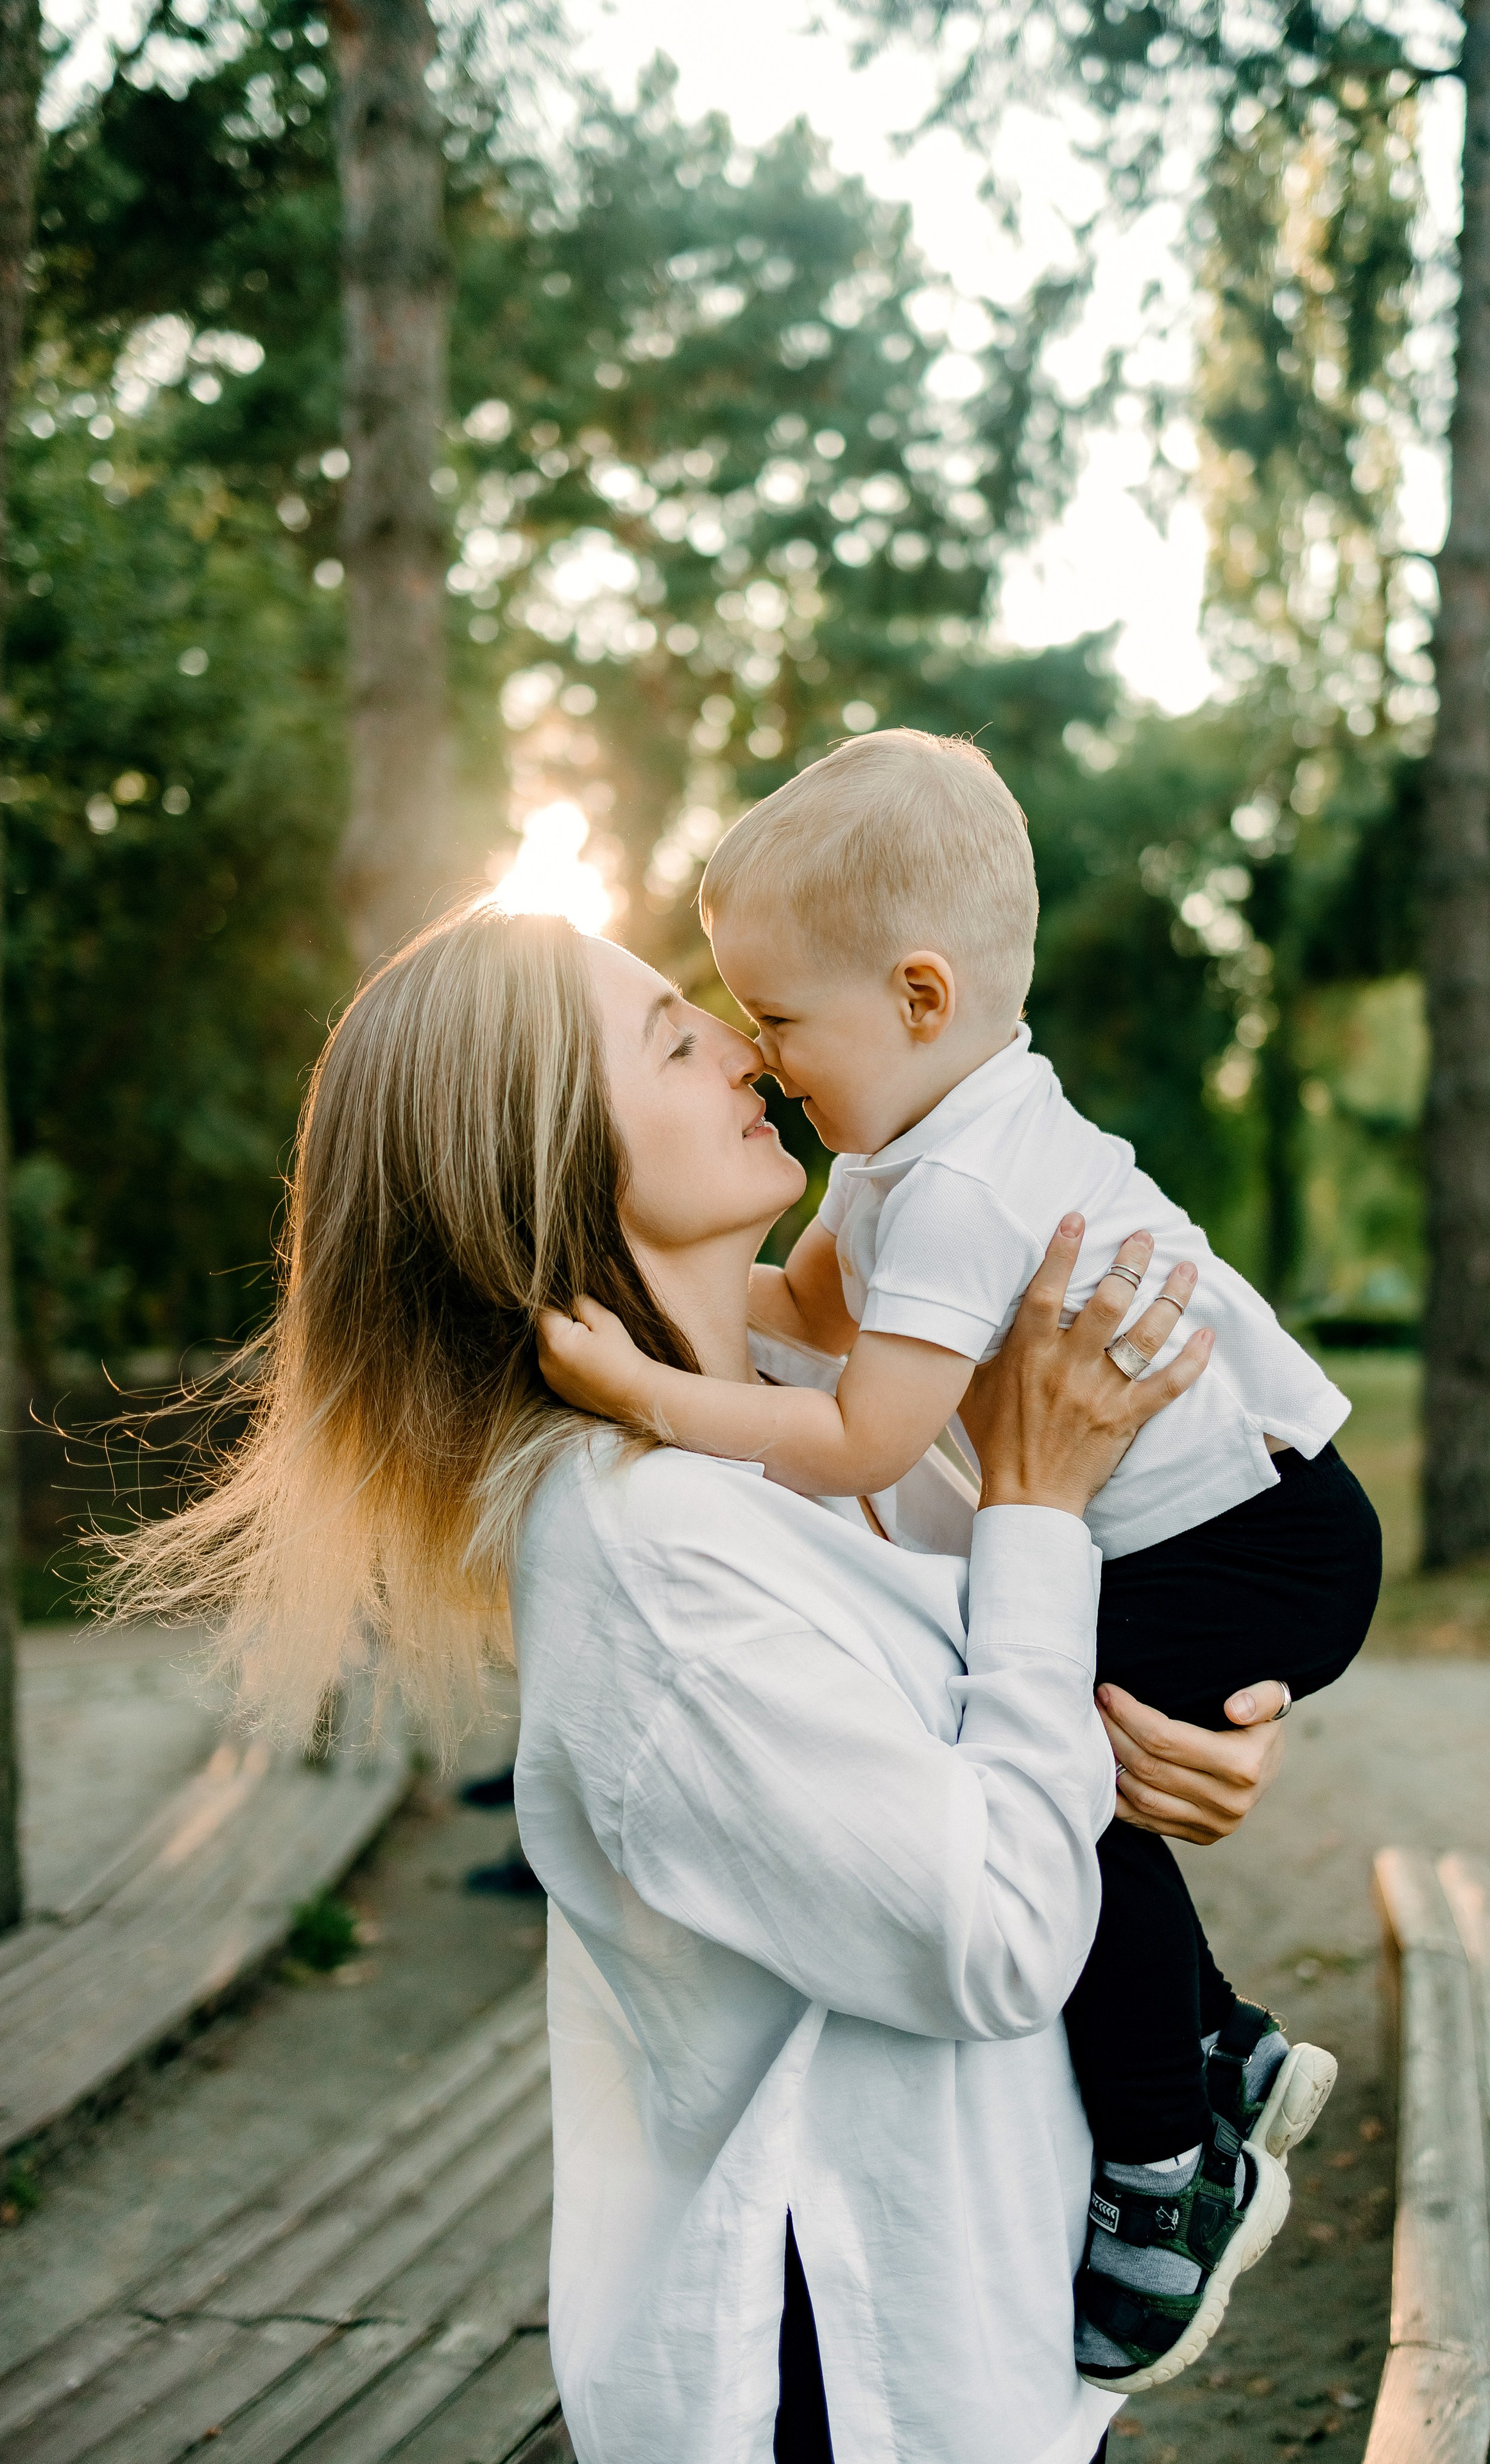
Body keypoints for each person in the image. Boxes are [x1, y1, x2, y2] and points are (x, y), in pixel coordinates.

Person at [97, 905, 1292, 2464]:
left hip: (992, 2333)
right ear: (544, 1173)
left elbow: (1008, 1736)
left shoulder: (809, 1417)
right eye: (674, 1036)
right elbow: (993, 1937)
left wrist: (1171, 1734)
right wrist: (1034, 1508)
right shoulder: (646, 1547)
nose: (745, 1046)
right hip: (848, 2376)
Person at [538, 730, 1382, 2390]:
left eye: (768, 1019)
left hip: (1260, 1536)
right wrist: (677, 1372)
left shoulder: (960, 1186)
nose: (751, 1055)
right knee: (1073, 1729)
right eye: (697, 1027)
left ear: (919, 1000)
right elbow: (810, 1328)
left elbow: (864, 1437)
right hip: (870, 2338)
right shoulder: (896, 1161)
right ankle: (1207, 2066)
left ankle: (1167, 2132)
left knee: (1079, 1723)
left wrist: (654, 1382)